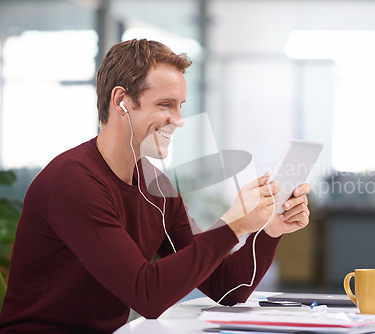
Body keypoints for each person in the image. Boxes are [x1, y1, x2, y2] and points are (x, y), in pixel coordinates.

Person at [0, 39, 312, 333]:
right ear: (121, 101)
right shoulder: (73, 182)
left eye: (181, 106)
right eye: (165, 104)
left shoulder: (154, 187)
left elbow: (223, 287)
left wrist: (270, 230)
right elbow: (146, 294)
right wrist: (234, 223)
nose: (178, 119)